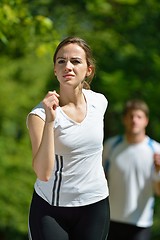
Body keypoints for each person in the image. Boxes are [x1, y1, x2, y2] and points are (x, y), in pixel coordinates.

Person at [27, 36, 110, 240]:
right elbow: (43, 173)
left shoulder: (99, 102)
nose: (68, 67)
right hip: (51, 209)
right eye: (61, 61)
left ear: (88, 70)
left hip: (95, 204)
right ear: (55, 70)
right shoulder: (38, 116)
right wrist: (50, 121)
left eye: (76, 61)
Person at [103, 99, 160, 240]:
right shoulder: (111, 146)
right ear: (124, 120)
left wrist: (159, 171)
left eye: (139, 117)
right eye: (131, 116)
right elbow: (100, 180)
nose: (134, 120)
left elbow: (158, 191)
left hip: (140, 223)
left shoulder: (156, 150)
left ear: (146, 121)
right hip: (111, 219)